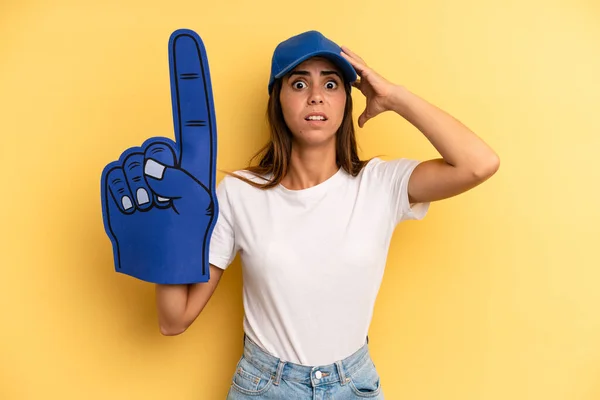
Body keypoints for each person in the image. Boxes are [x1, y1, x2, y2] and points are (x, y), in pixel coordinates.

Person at [155, 30, 500, 399]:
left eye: (332, 84)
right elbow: (174, 319)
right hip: (265, 387)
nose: (316, 95)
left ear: (346, 103)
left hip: (353, 385)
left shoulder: (380, 184)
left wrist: (393, 96)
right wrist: (162, 235)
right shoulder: (239, 192)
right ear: (279, 101)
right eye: (299, 83)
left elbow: (479, 164)